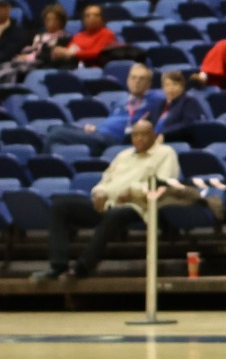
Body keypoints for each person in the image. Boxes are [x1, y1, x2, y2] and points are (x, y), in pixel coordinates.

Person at [34, 117, 189, 282]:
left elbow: (162, 184)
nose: (139, 138)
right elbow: (105, 180)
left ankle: (82, 267)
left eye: (144, 134)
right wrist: (99, 192)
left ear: (154, 135)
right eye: (136, 135)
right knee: (60, 206)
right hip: (109, 202)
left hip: (139, 206)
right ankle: (58, 266)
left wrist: (132, 192)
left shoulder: (165, 153)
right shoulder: (123, 155)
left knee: (115, 214)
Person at [46, 64, 161, 152]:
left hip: (112, 139)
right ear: (127, 80)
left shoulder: (155, 98)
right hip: (99, 133)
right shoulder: (122, 100)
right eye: (133, 78)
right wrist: (96, 128)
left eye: (142, 79)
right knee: (54, 128)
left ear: (149, 83)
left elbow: (175, 95)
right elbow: (111, 121)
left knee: (57, 134)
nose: (137, 82)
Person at [6, 2, 70, 73]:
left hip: (42, 66)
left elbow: (48, 56)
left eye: (54, 19)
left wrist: (28, 58)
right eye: (48, 20)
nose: (50, 22)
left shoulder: (64, 37)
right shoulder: (39, 36)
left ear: (61, 21)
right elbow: (32, 49)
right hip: (27, 62)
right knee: (6, 65)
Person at [151, 69, 209, 146]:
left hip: (178, 142)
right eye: (167, 85)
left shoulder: (188, 102)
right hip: (155, 142)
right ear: (163, 88)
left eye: (175, 84)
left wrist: (163, 133)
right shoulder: (159, 105)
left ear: (182, 86)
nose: (171, 88)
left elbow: (187, 124)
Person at [56, 3, 119, 67]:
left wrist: (74, 54)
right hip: (74, 66)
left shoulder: (107, 34)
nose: (91, 18)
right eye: (87, 15)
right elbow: (69, 51)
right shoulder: (78, 36)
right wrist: (60, 52)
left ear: (102, 19)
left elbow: (97, 53)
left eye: (95, 15)